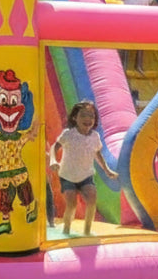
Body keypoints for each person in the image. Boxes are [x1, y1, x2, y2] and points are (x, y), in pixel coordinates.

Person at [49, 100, 118, 236]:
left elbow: (97, 154)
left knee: (92, 200)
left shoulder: (94, 136)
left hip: (86, 175)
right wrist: (53, 160)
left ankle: (87, 231)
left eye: (91, 116)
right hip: (68, 175)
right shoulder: (69, 134)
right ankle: (66, 230)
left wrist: (107, 170)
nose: (88, 119)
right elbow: (55, 147)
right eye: (83, 115)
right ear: (75, 117)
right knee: (72, 204)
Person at [105, 0, 156, 74]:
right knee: (125, 45)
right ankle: (122, 66)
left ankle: (138, 66)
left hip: (141, 25)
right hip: (127, 23)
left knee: (141, 45)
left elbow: (153, 5)